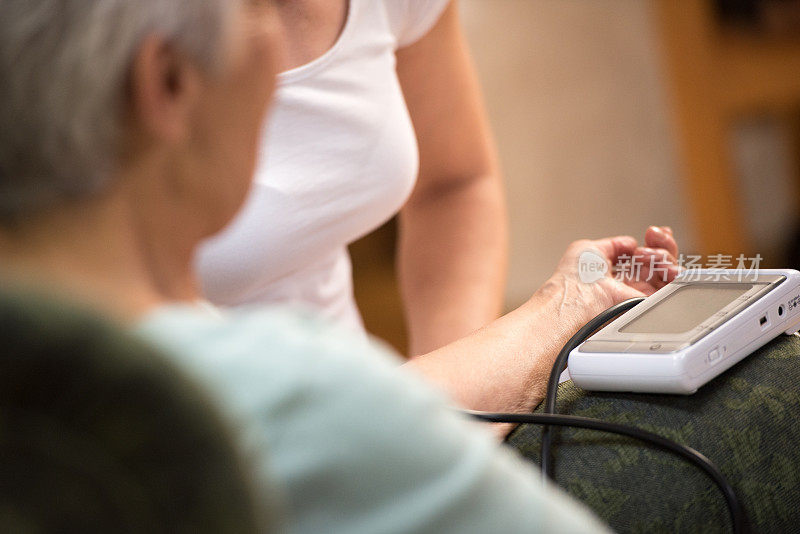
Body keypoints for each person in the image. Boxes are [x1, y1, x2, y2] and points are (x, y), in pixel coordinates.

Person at [0, 0, 641, 531]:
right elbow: (330, 418)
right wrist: (559, 310)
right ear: (166, 81)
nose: (280, 52)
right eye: (253, 14)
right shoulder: (254, 383)